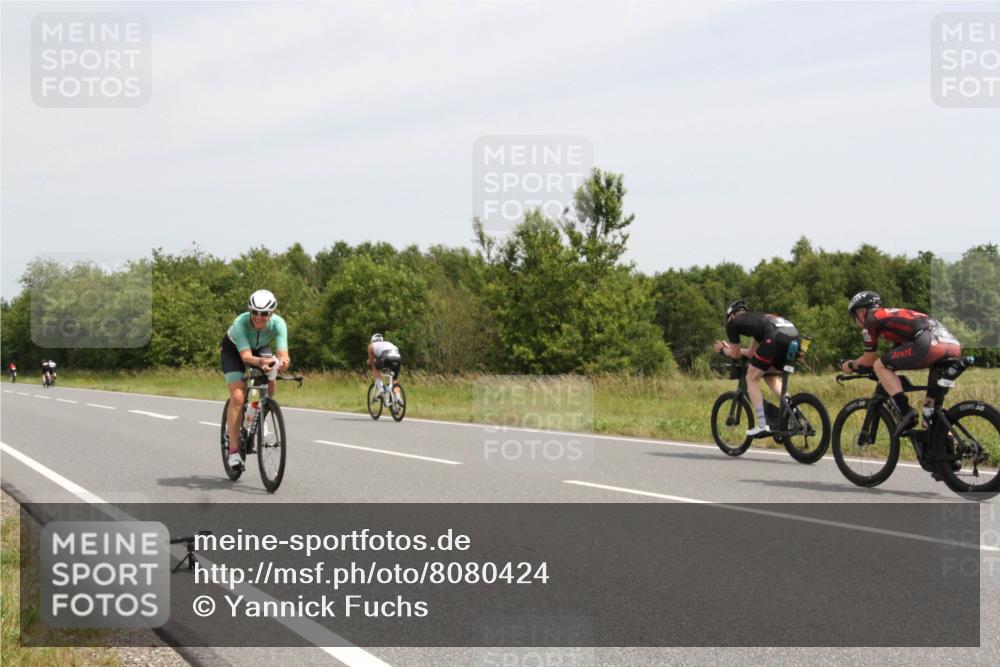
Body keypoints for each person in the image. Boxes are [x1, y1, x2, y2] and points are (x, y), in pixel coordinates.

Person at [841, 291, 961, 437]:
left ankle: (906, 411)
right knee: (931, 413)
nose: (855, 321)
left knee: (879, 364)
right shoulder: (892, 317)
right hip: (951, 344)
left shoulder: (871, 319)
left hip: (929, 342)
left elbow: (869, 360)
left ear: (861, 312)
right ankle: (944, 444)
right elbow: (897, 353)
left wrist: (850, 365)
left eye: (853, 316)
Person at [220, 290, 290, 470]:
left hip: (259, 349)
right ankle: (234, 451)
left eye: (264, 314)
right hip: (234, 351)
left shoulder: (279, 324)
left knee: (270, 378)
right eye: (255, 312)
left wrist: (281, 362)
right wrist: (263, 362)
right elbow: (246, 357)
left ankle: (260, 411)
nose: (258, 317)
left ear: (271, 313)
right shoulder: (240, 323)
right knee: (237, 396)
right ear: (250, 311)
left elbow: (283, 353)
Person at [714, 300, 801, 437]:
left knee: (751, 378)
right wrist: (731, 349)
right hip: (793, 335)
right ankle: (794, 413)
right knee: (770, 377)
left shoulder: (733, 323)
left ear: (731, 315)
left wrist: (723, 350)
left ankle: (762, 424)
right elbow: (749, 353)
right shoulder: (759, 319)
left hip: (775, 335)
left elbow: (735, 354)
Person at [368, 333, 402, 406]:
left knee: (375, 367)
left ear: (372, 341)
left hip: (386, 356)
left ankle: (380, 388)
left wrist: (370, 362)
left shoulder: (371, 346)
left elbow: (371, 361)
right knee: (394, 380)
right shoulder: (388, 343)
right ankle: (398, 397)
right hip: (397, 357)